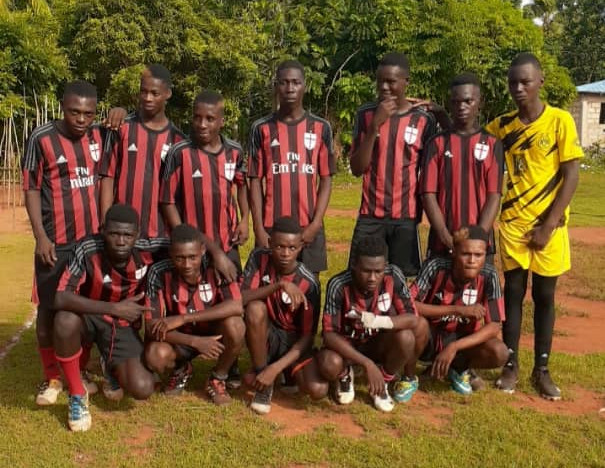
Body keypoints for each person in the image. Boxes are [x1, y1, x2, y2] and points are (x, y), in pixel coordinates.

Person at [485, 53, 583, 400]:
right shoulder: (502, 126)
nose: (518, 88)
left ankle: (541, 369)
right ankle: (510, 366)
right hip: (512, 225)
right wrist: (438, 116)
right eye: (513, 82)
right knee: (513, 295)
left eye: (525, 81)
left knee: (544, 296)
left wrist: (548, 224)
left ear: (540, 81)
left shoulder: (559, 121)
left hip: (549, 229)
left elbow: (572, 175)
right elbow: (472, 141)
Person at [21, 80, 104, 406]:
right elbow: (29, 188)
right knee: (48, 311)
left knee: (79, 313)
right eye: (74, 112)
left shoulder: (98, 136)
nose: (81, 119)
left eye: (88, 113)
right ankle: (51, 377)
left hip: (89, 245)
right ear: (62, 107)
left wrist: (120, 112)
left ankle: (78, 372)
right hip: (54, 244)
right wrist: (41, 237)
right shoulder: (41, 138)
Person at [53, 204, 165, 431]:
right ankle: (76, 394)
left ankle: (109, 363)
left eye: (127, 235)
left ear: (137, 235)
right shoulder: (87, 247)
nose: (121, 241)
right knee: (64, 320)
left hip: (123, 325)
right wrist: (113, 308)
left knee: (142, 388)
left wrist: (217, 255)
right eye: (114, 234)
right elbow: (60, 297)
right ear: (103, 231)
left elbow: (188, 243)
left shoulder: (149, 248)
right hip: (89, 316)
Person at [303, 237, 428, 412]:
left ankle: (382, 381)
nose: (372, 277)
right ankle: (345, 375)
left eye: (378, 271)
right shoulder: (338, 284)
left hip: (378, 342)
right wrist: (366, 364)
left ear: (385, 265)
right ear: (354, 264)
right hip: (348, 346)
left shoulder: (394, 276)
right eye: (366, 271)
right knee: (328, 363)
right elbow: (329, 335)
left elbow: (412, 318)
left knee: (406, 337)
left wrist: (376, 321)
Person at [349, 52, 436, 277]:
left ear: (406, 82)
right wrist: (374, 127)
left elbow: (430, 171)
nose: (384, 87)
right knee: (360, 278)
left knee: (403, 281)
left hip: (404, 218)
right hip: (370, 216)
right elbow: (358, 168)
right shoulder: (366, 115)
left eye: (391, 81)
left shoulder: (423, 120)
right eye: (380, 81)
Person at [248, 59, 335, 275]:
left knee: (310, 290)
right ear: (276, 86)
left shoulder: (321, 127)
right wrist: (258, 227)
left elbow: (326, 179)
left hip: (308, 227)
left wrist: (316, 224)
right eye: (284, 82)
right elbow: (254, 181)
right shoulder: (261, 128)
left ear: (304, 85)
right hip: (271, 227)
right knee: (269, 287)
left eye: (295, 82)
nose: (290, 88)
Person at [144, 224, 245, 406]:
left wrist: (185, 317)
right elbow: (152, 327)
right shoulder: (158, 272)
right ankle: (182, 369)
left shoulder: (217, 267)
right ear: (170, 253)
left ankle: (218, 378)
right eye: (179, 258)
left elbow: (237, 306)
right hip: (182, 337)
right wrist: (194, 342)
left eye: (192, 257)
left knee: (236, 325)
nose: (187, 264)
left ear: (203, 251)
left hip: (214, 331)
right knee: (154, 355)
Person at [411, 226, 508, 395]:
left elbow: (494, 326)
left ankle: (459, 368)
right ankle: (409, 376)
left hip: (462, 339)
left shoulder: (490, 275)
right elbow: (410, 305)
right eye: (466, 254)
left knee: (499, 351)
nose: (472, 260)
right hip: (431, 336)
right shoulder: (436, 266)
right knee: (415, 324)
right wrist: (458, 310)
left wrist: (455, 347)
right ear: (454, 252)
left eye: (478, 255)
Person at [161, 90, 249, 272]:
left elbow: (242, 185)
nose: (202, 124)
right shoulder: (179, 153)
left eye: (209, 119)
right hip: (191, 248)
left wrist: (244, 220)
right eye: (197, 118)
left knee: (234, 295)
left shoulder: (234, 151)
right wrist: (184, 236)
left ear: (221, 121)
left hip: (227, 242)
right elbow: (167, 201)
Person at [240, 217, 320, 414]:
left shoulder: (309, 283)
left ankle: (280, 371)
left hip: (292, 342)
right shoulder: (259, 257)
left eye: (292, 248)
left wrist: (274, 369)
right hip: (267, 333)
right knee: (255, 308)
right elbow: (240, 298)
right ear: (269, 243)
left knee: (317, 389)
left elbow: (307, 337)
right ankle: (263, 382)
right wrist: (279, 285)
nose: (285, 253)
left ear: (301, 246)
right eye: (279, 246)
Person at [421, 73, 503, 260]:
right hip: (443, 243)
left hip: (480, 246)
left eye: (468, 101)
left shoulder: (492, 144)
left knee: (479, 290)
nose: (462, 107)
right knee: (441, 289)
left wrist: (478, 238)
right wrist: (444, 235)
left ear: (479, 103)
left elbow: (494, 196)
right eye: (456, 102)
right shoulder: (436, 144)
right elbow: (428, 194)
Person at [100, 64, 185, 240]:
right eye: (143, 91)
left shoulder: (178, 140)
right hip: (123, 235)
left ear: (168, 93)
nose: (147, 98)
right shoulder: (122, 127)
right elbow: (107, 177)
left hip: (160, 236)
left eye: (154, 93)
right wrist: (105, 222)